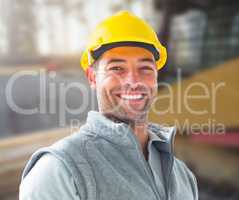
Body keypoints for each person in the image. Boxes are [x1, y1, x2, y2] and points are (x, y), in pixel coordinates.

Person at [19, 11, 198, 200]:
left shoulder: (182, 176)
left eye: (145, 68)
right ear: (92, 77)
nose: (133, 80)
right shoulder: (60, 171)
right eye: (117, 68)